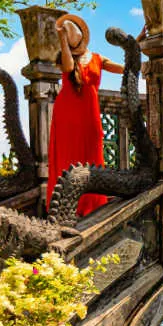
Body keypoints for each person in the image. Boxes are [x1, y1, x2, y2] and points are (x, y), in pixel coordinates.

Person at [48, 14, 126, 219]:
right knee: (68, 156)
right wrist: (63, 40)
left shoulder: (98, 58)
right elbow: (67, 68)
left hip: (89, 112)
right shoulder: (64, 56)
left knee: (92, 153)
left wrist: (138, 46)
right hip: (67, 113)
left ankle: (91, 203)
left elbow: (123, 68)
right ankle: (65, 205)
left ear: (83, 36)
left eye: (72, 34)